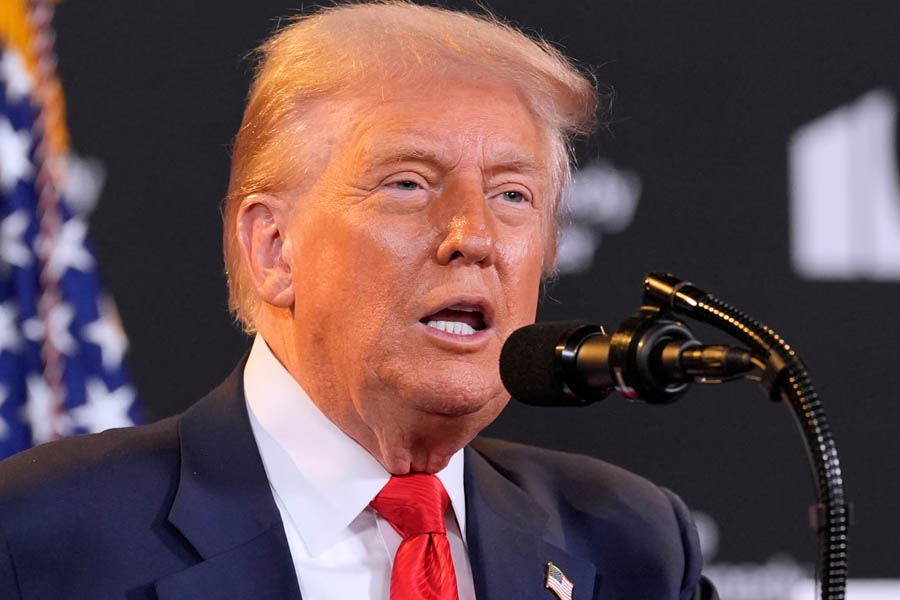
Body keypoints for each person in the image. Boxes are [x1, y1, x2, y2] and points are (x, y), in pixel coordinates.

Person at [0, 2, 718, 599]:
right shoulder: (39, 538)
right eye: (408, 183)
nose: (475, 236)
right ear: (273, 248)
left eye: (512, 195)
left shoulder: (632, 545)